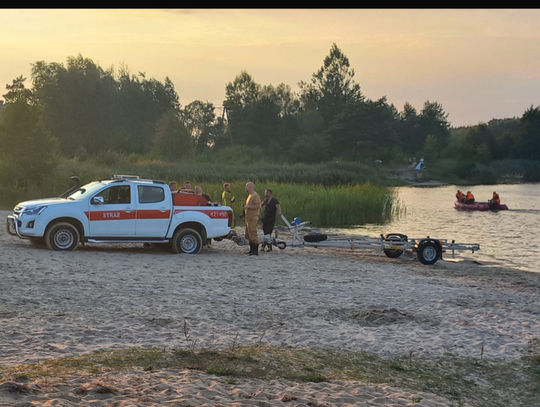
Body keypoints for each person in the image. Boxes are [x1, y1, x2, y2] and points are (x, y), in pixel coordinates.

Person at [243, 182, 262, 256]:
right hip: (248, 218)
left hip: (253, 217)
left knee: (253, 233)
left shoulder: (255, 195)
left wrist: (249, 207)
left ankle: (255, 251)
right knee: (248, 234)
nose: (245, 188)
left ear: (250, 187)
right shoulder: (249, 196)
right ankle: (251, 250)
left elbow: (259, 205)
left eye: (246, 187)